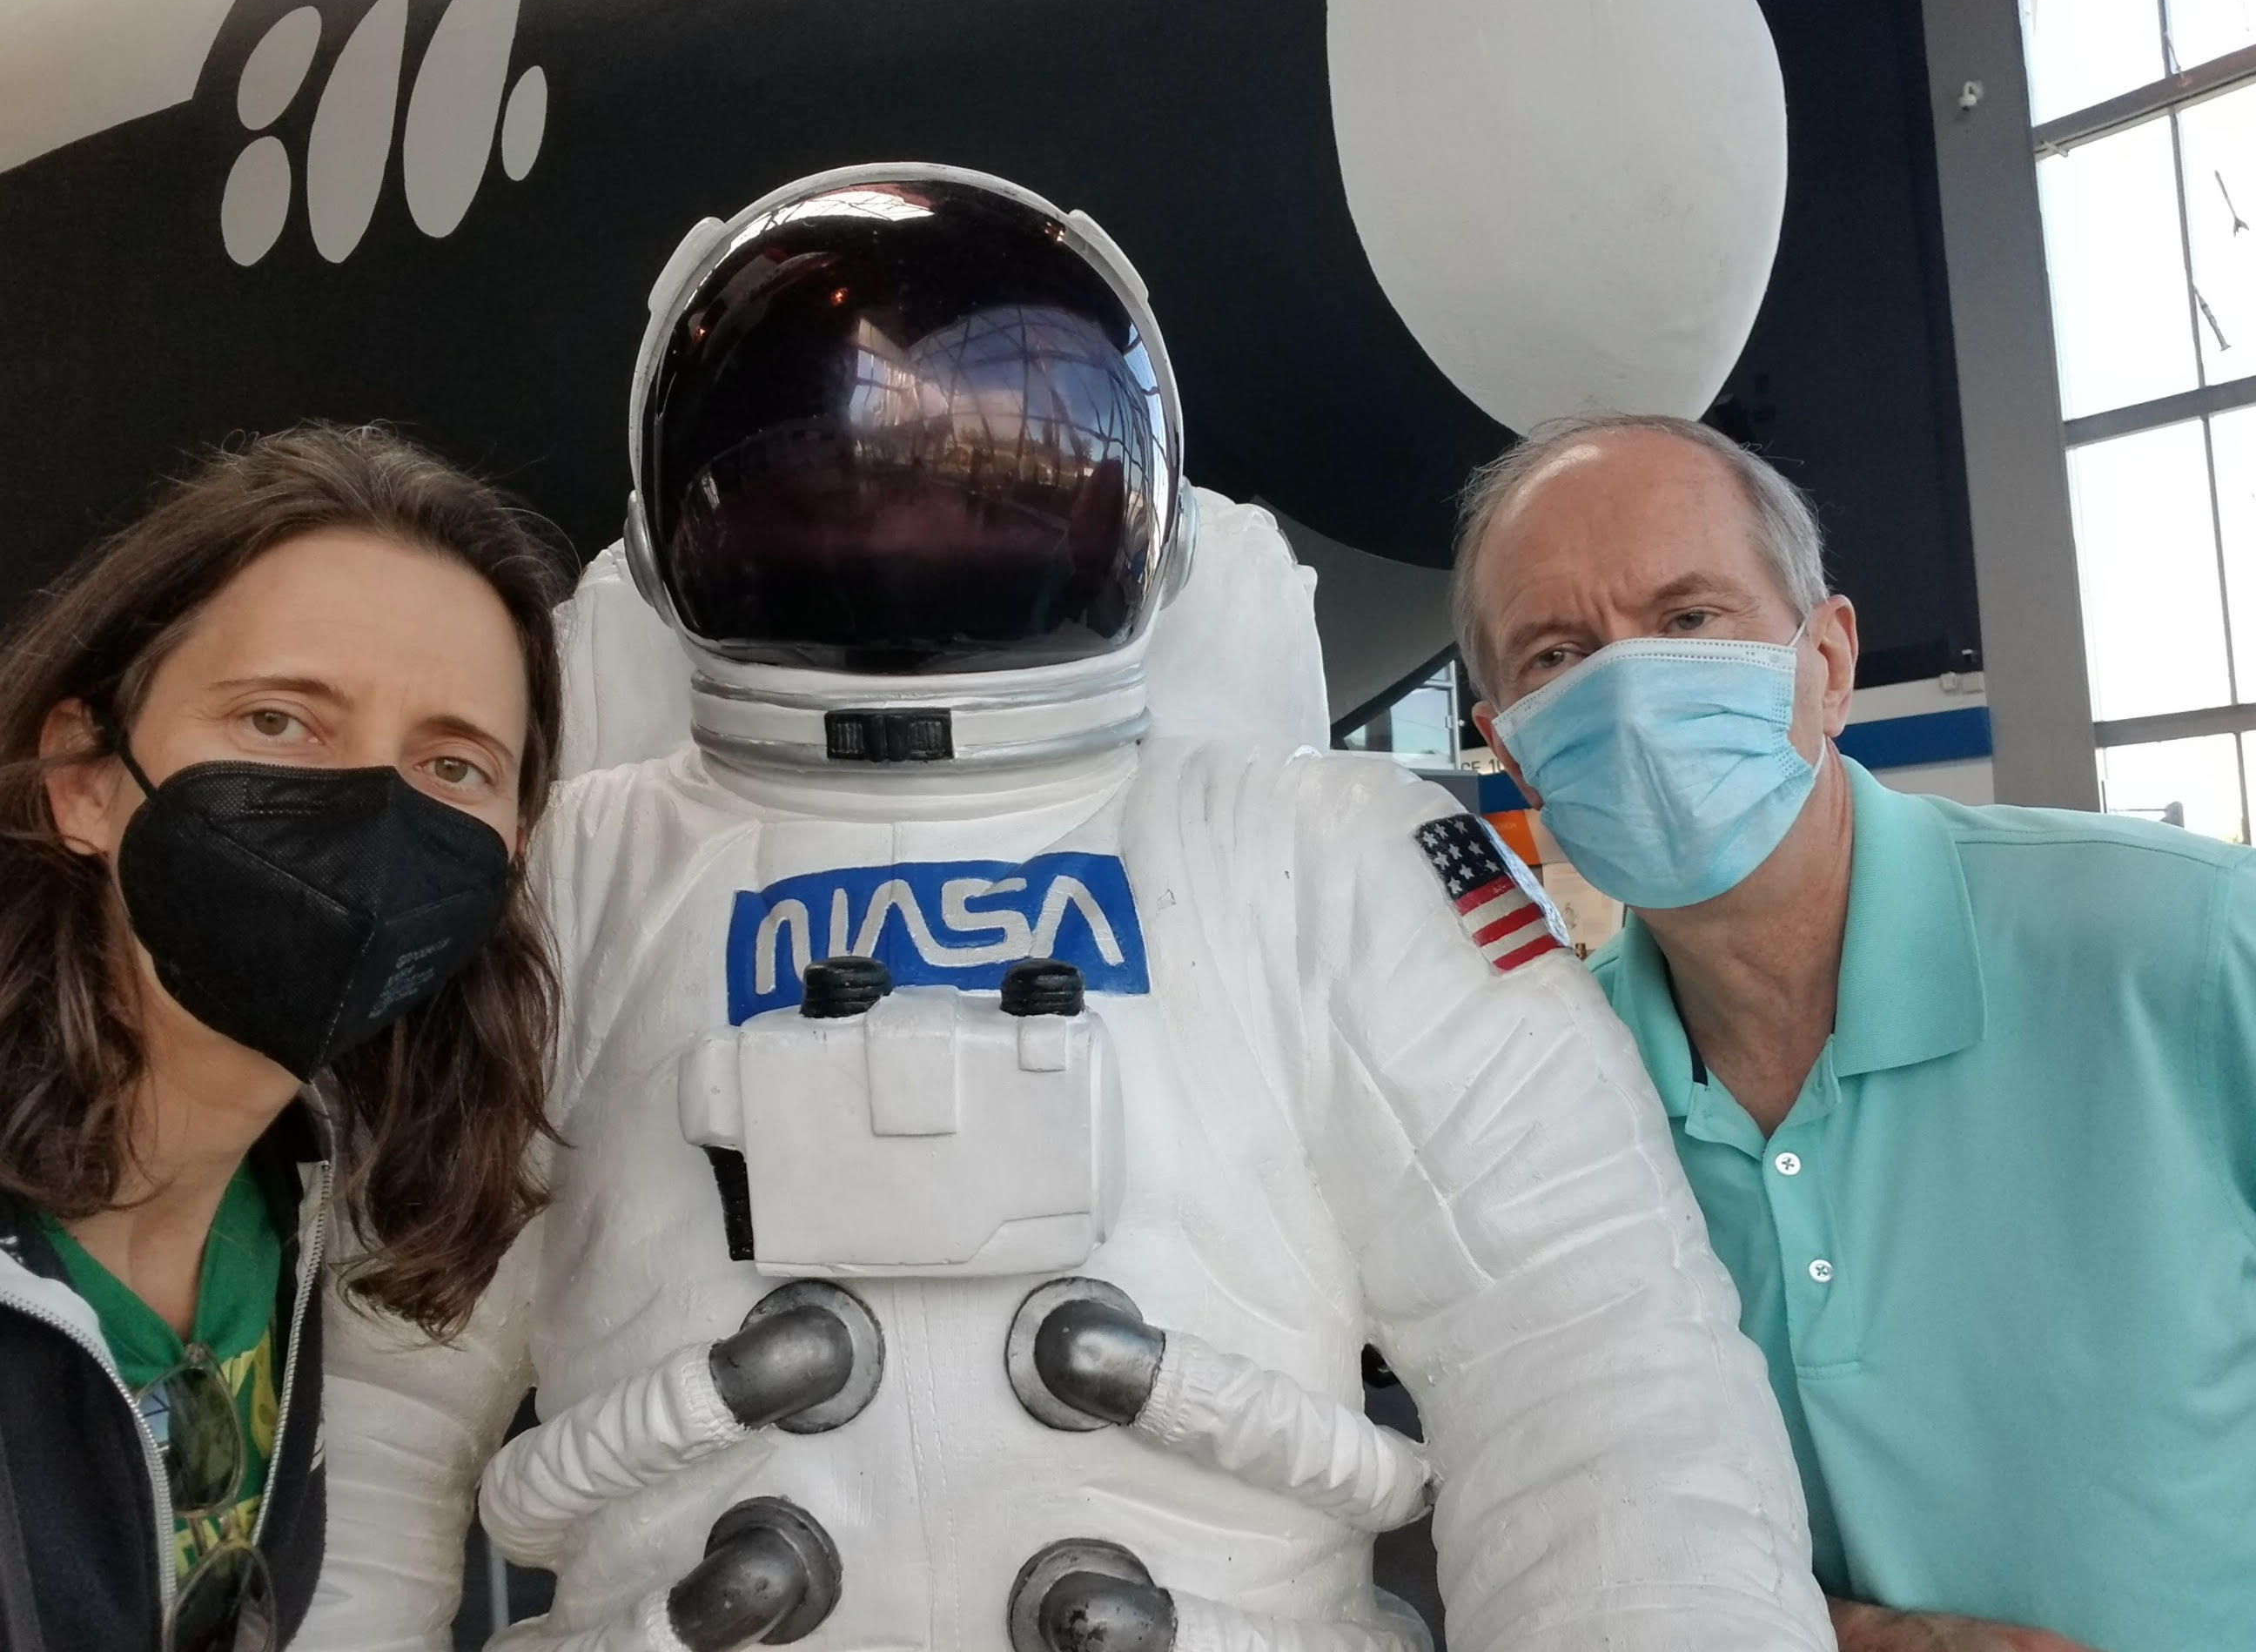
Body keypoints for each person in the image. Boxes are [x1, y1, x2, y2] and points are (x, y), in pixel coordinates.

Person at [301, 165, 1830, 1652]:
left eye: (991, 449)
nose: (911, 499)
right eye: (826, 458)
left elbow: (1594, 1387)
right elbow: (369, 1413)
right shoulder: (563, 884)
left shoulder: (1322, 861)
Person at [1456, 410, 2256, 1652]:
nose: (1627, 689)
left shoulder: (2181, 945)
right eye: (1557, 652)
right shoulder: (1547, 1091)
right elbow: (1574, 1528)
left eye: (1689, 620)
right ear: (1509, 743)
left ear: (1827, 664)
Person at [0, 425, 571, 1650]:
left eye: (454, 764)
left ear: (512, 849)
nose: (372, 816)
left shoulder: (306, 1209)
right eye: (278, 722)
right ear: (83, 779)